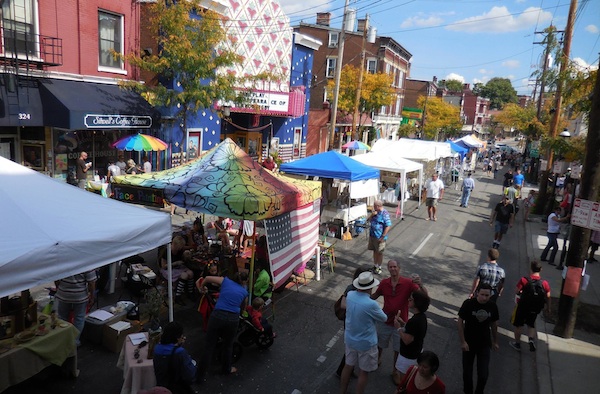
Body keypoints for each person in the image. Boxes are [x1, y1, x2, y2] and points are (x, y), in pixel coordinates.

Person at [371, 260, 426, 377]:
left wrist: (421, 285)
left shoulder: (408, 283)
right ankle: (377, 360)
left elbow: (424, 297)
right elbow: (374, 296)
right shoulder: (384, 283)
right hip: (384, 320)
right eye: (390, 267)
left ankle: (395, 371)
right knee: (379, 344)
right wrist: (361, 293)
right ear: (388, 269)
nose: (393, 269)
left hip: (400, 322)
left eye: (395, 267)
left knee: (398, 349)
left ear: (399, 268)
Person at [339, 271, 387, 394]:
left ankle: (342, 391)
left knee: (348, 366)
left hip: (350, 339)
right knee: (363, 372)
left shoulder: (350, 295)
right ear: (370, 288)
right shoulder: (371, 304)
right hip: (366, 343)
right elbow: (384, 318)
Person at [198, 271, 249, 378]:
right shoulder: (244, 292)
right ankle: (226, 369)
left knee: (209, 346)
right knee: (228, 345)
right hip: (232, 319)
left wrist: (202, 288)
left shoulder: (225, 281)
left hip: (217, 315)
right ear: (245, 281)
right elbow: (243, 307)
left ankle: (200, 374)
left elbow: (206, 278)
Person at [457, 283, 499, 394]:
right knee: (467, 373)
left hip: (484, 344)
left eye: (487, 295)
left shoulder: (492, 306)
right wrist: (462, 341)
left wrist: (495, 341)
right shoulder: (468, 304)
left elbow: (494, 325)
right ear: (477, 293)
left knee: (483, 375)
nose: (484, 297)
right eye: (482, 294)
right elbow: (460, 322)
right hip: (469, 344)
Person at [336, 265, 372, 377]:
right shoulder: (351, 288)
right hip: (352, 322)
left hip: (357, 321)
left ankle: (348, 370)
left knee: (353, 348)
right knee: (352, 348)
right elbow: (343, 304)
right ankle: (342, 371)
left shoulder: (363, 287)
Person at [509, 261, 551, 352]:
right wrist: (548, 307)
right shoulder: (544, 283)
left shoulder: (524, 280)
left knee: (518, 325)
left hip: (523, 306)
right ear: (541, 270)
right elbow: (548, 296)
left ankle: (517, 343)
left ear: (531, 268)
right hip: (534, 308)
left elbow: (517, 291)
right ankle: (531, 339)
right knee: (531, 324)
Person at [392, 290, 430, 385]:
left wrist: (398, 327)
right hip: (416, 352)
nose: (408, 300)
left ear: (417, 303)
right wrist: (404, 323)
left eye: (411, 299)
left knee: (404, 382)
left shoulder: (414, 321)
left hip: (408, 356)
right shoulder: (422, 317)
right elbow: (414, 331)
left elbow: (407, 340)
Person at [54, 270, 97, 346]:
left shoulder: (61, 260)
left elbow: (56, 278)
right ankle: (74, 341)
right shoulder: (87, 262)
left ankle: (63, 339)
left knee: (62, 318)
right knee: (79, 318)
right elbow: (91, 282)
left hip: (63, 294)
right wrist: (92, 297)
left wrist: (60, 288)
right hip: (80, 296)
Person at [153, 321, 197, 394]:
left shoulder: (157, 348)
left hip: (161, 387)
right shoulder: (180, 352)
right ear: (177, 337)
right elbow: (189, 375)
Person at [159, 235, 195, 305]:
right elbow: (163, 266)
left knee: (191, 273)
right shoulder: (167, 251)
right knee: (184, 275)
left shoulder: (180, 250)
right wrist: (175, 263)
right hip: (169, 269)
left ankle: (190, 292)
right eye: (180, 247)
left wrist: (186, 256)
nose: (180, 248)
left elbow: (182, 259)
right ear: (175, 244)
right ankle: (178, 296)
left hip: (178, 267)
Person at [367, 200, 391, 275]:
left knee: (379, 252)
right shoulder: (375, 213)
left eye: (374, 206)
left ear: (378, 206)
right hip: (373, 235)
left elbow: (388, 225)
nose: (373, 207)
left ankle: (379, 267)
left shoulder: (384, 213)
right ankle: (375, 265)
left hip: (379, 237)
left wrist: (383, 236)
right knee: (374, 251)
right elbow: (368, 220)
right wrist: (372, 215)